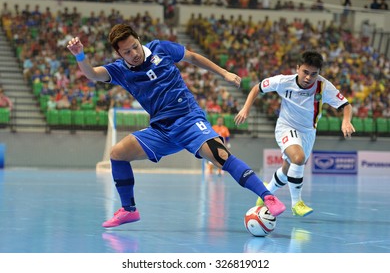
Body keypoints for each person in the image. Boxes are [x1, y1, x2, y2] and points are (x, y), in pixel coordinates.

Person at [67, 23, 286, 228]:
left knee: (221, 156)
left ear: (139, 40)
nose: (133, 54)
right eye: (126, 52)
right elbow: (91, 74)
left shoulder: (160, 48)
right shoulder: (120, 71)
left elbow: (193, 57)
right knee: (117, 154)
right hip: (161, 129)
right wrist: (80, 55)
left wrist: (224, 73)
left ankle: (268, 197)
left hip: (189, 119)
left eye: (134, 47)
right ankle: (129, 210)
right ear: (119, 54)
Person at [235, 50, 355, 217]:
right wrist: (246, 109)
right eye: (305, 72)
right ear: (298, 68)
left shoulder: (323, 87)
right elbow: (257, 87)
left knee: (287, 170)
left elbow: (346, 105)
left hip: (308, 132)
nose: (308, 78)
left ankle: (265, 194)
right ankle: (296, 203)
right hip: (286, 126)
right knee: (298, 158)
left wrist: (346, 120)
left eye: (314, 74)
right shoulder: (284, 81)